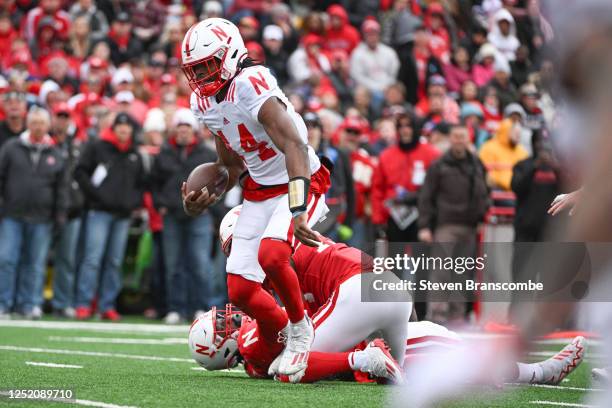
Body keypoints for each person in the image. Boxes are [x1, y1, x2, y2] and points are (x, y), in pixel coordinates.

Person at [192, 207, 585, 388]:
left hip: (359, 290)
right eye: (224, 324)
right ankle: (534, 373)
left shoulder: (270, 259)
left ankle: (366, 358)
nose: (231, 317)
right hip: (387, 287)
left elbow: (284, 343)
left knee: (289, 365)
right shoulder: (278, 245)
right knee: (429, 360)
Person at [180, 18, 330, 378]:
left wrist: (298, 206)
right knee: (242, 289)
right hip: (260, 189)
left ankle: (300, 330)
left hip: (300, 177)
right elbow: (229, 166)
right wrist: (204, 194)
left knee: (273, 253)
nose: (201, 77)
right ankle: (281, 332)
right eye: (194, 70)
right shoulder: (204, 102)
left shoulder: (251, 82)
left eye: (207, 66)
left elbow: (294, 144)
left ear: (231, 53)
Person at [74, 113, 147, 321]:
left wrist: (133, 202)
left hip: (122, 215)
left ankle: (107, 305)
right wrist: (96, 197)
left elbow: (142, 184)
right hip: (99, 212)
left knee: (114, 261)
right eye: (120, 127)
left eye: (127, 127)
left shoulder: (135, 154)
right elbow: (80, 172)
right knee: (92, 259)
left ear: (131, 131)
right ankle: (83, 304)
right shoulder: (97, 147)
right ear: (113, 129)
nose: (124, 131)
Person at [151, 108, 217, 324]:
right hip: (172, 214)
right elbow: (153, 183)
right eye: (180, 127)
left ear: (194, 130)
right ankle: (175, 307)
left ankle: (202, 307)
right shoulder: (164, 153)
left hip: (200, 214)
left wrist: (210, 204)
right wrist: (160, 204)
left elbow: (219, 183)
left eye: (187, 127)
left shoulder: (206, 153)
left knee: (200, 263)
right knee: (174, 264)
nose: (183, 131)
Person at [417, 124, 489, 324]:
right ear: (450, 139)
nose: (459, 140)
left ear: (469, 139)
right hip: (445, 225)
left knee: (462, 274)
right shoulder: (439, 165)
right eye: (456, 136)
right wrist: (425, 226)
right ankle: (437, 317)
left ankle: (457, 317)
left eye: (462, 137)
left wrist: (482, 217)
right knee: (441, 272)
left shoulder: (476, 164)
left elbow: (484, 193)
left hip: (469, 226)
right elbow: (426, 196)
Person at [0, 107, 66, 319]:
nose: (38, 126)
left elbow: (61, 188)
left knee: (36, 264)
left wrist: (59, 215)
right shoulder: (12, 147)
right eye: (34, 122)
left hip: (42, 216)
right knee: (7, 260)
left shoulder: (55, 153)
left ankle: (30, 304)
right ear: (28, 124)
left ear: (48, 126)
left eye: (42, 123)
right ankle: (4, 303)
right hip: (13, 213)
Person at [371, 112, 440, 242]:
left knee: (420, 261)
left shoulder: (431, 154)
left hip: (423, 216)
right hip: (394, 216)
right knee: (396, 260)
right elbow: (377, 189)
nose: (404, 130)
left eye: (408, 126)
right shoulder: (386, 155)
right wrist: (378, 219)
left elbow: (438, 187)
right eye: (401, 126)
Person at [49, 102, 84, 318]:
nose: (62, 121)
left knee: (67, 259)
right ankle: (25, 301)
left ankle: (61, 302)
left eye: (65, 117)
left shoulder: (75, 146)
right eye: (59, 116)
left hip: (70, 209)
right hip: (44, 209)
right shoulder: (44, 143)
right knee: (32, 257)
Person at [303, 112, 354, 241]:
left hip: (332, 218)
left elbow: (350, 189)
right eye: (306, 126)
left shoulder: (337, 154)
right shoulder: (293, 155)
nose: (310, 131)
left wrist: (348, 222)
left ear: (321, 131)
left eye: (314, 126)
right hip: (304, 218)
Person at [479, 118, 529, 191]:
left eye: (519, 133)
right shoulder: (489, 148)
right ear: (506, 131)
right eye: (514, 132)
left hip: (518, 191)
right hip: (497, 189)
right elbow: (485, 172)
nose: (518, 135)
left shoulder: (522, 151)